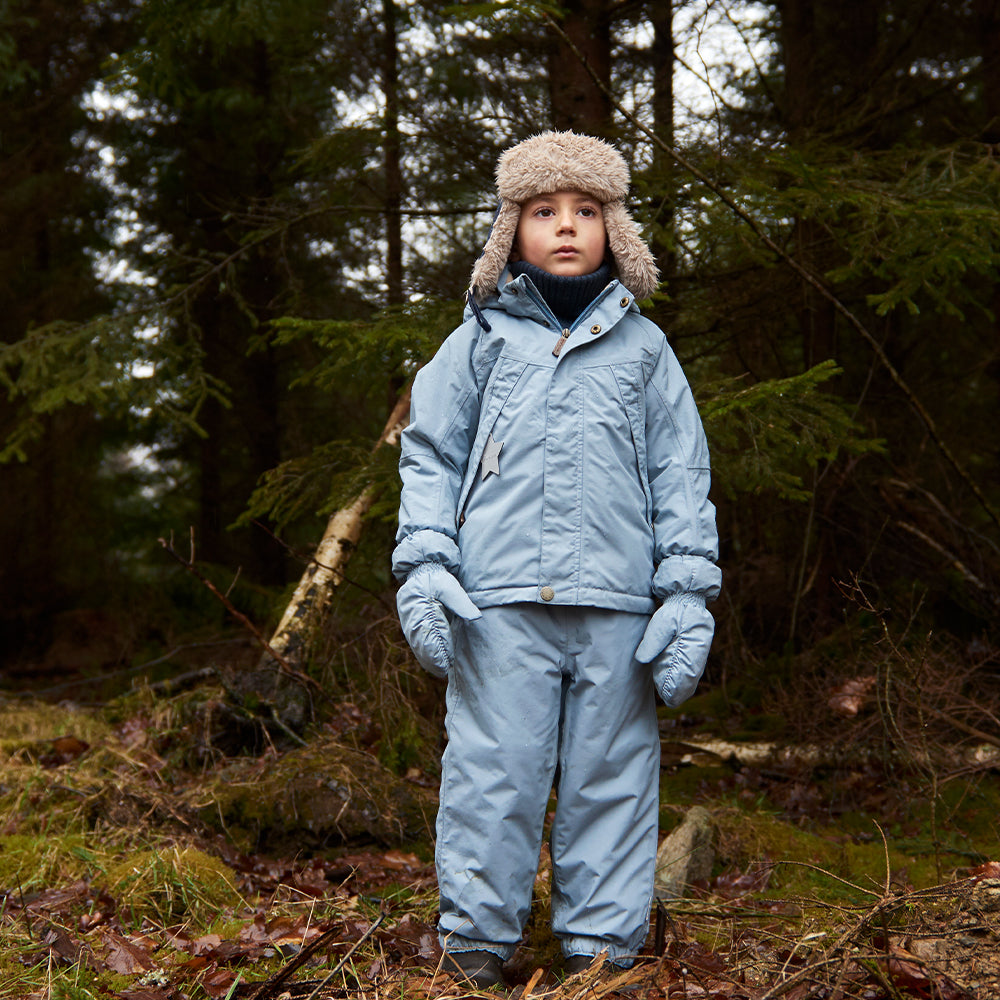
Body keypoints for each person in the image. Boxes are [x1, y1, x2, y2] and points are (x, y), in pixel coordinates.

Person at [393, 131, 721, 990]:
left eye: (585, 211)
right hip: (495, 603)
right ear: (512, 231)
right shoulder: (480, 342)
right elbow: (428, 453)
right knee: (492, 770)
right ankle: (475, 941)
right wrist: (426, 565)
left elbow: (681, 471)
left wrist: (686, 592)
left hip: (619, 608)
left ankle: (601, 949)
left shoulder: (645, 351)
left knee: (611, 778)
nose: (566, 227)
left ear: (616, 228)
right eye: (545, 212)